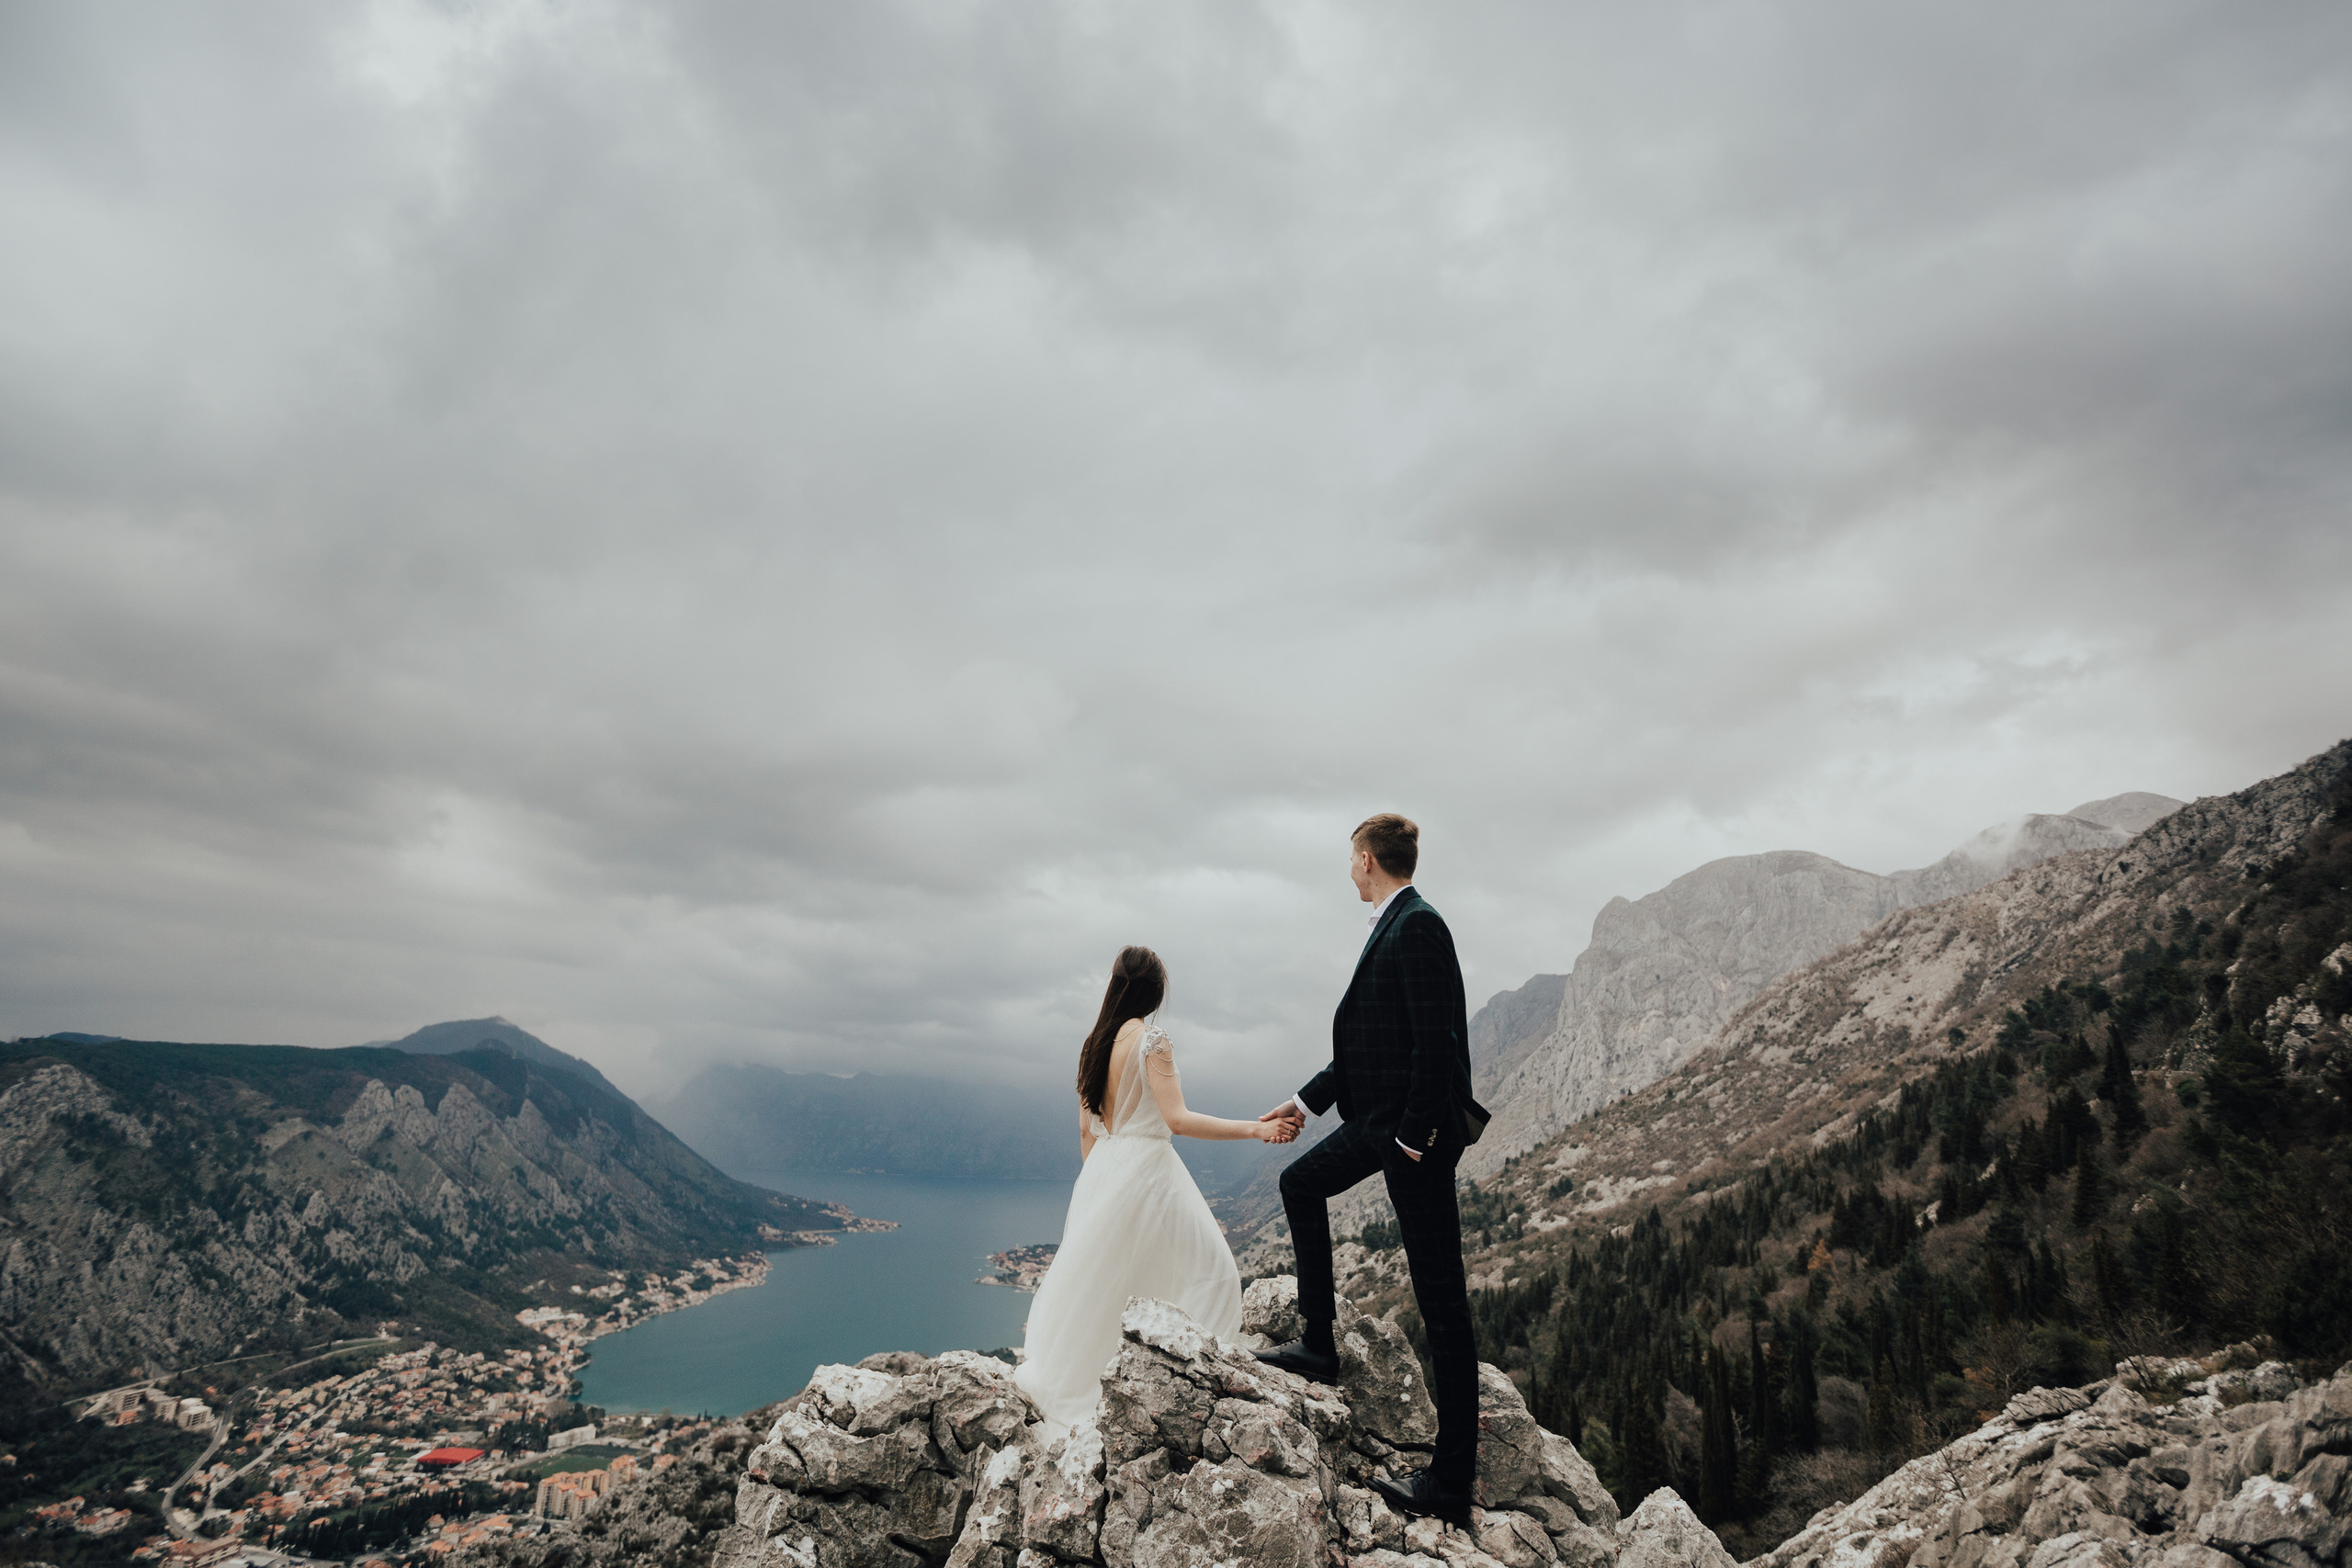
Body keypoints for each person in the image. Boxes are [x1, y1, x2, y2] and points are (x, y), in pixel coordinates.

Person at [1254, 813, 1487, 1527]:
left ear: (1365, 858)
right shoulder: (1395, 922)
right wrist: (1300, 1101)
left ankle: (1450, 1483)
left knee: (1442, 1301)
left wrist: (1417, 1138)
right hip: (1378, 1123)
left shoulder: (1418, 925)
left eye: (1348, 857)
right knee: (1300, 1183)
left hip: (1409, 1136)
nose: (1347, 868)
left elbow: (1437, 1043)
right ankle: (1319, 1342)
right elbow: (1368, 1046)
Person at [1013, 944, 1297, 1430]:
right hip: (1148, 1169)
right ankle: (1189, 1392)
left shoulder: (1093, 1043)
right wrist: (1256, 1129)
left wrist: (1100, 1186)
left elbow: (1087, 1130)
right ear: (1156, 993)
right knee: (1214, 1269)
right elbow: (1178, 1120)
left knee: (1108, 1284)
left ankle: (1095, 1382)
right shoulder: (1153, 1040)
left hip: (1104, 1168)